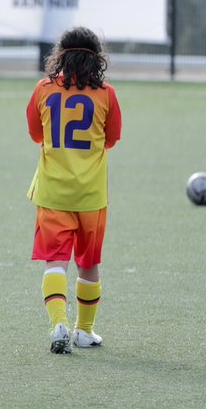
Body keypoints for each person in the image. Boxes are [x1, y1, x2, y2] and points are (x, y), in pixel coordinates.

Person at [25, 26, 122, 354]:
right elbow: (111, 139)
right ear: (98, 60)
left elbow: (36, 134)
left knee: (55, 261)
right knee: (88, 264)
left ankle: (58, 323)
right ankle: (84, 330)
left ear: (59, 57)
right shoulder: (106, 94)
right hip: (91, 197)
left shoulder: (43, 89)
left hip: (53, 193)